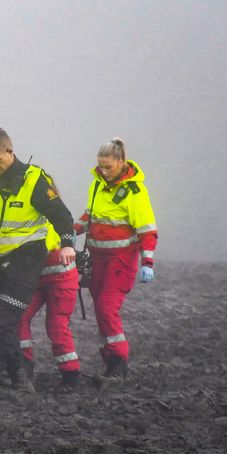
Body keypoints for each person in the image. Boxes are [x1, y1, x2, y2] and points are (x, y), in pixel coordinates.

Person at [0, 128, 76, 392]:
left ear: (10, 151)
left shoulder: (34, 179)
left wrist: (67, 245)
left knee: (4, 318)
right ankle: (19, 375)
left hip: (27, 258)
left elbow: (62, 215)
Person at [73, 137, 157, 380]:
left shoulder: (135, 192)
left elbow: (147, 230)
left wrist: (147, 262)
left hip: (121, 261)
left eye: (108, 167)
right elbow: (90, 216)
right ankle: (111, 359)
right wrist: (72, 230)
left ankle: (118, 361)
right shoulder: (97, 184)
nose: (104, 171)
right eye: (101, 166)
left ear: (121, 162)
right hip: (97, 260)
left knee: (107, 307)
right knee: (101, 309)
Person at [17, 227, 82, 392]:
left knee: (56, 325)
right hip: (38, 279)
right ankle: (23, 367)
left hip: (61, 279)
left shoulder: (46, 222)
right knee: (19, 316)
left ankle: (70, 374)